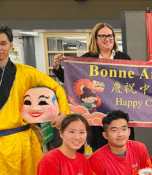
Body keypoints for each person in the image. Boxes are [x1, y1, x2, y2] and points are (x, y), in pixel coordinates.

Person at [0, 25, 68, 175]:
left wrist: (62, 112)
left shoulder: (25, 72)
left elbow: (55, 86)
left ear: (11, 45)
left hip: (24, 140)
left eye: (3, 43)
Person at [52, 22, 132, 150]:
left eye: (110, 35)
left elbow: (134, 82)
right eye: (103, 36)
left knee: (123, 147)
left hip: (120, 109)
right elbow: (71, 79)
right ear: (95, 38)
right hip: (98, 112)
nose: (107, 39)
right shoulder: (87, 58)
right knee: (100, 148)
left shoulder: (124, 58)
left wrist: (149, 70)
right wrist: (57, 68)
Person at [89, 110, 151, 175]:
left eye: (123, 129)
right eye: (114, 130)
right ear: (105, 135)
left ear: (129, 131)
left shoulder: (140, 148)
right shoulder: (96, 159)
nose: (120, 134)